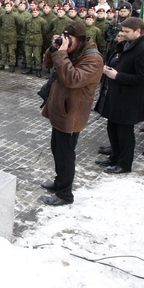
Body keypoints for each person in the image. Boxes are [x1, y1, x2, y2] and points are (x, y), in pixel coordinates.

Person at [40, 22, 104, 206]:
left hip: (72, 112)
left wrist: (62, 53)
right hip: (61, 108)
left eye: (69, 39)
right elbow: (49, 62)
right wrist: (55, 48)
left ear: (81, 40)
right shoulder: (74, 51)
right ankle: (60, 182)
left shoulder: (93, 59)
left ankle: (65, 194)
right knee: (57, 149)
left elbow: (72, 79)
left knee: (65, 154)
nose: (65, 42)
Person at [95, 17, 144, 174]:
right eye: (122, 31)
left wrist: (117, 76)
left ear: (138, 31)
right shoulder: (127, 44)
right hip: (116, 94)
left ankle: (124, 164)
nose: (123, 34)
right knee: (112, 128)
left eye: (127, 31)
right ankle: (115, 157)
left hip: (129, 98)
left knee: (124, 133)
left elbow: (143, 78)